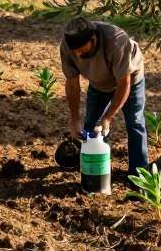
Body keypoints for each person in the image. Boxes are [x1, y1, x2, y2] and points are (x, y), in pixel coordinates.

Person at [60, 15, 149, 178]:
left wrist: (108, 117)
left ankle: (139, 174)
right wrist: (74, 119)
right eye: (75, 52)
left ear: (93, 39)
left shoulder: (116, 41)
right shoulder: (67, 47)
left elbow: (124, 83)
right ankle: (97, 171)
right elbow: (72, 84)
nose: (78, 55)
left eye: (82, 50)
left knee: (134, 123)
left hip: (130, 77)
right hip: (98, 82)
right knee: (91, 127)